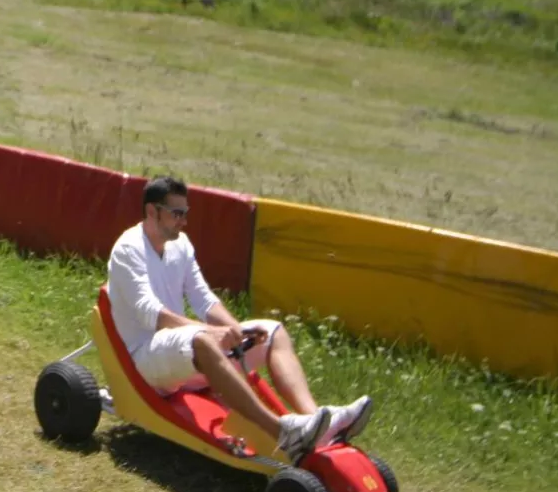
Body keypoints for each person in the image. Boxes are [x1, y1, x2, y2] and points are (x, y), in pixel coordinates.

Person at [105, 176, 373, 462]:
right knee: (202, 340)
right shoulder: (128, 249)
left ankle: (316, 422)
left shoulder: (180, 245)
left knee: (272, 332)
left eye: (186, 213)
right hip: (143, 363)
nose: (183, 221)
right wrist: (213, 332)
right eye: (176, 213)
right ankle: (282, 432)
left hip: (177, 356)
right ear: (151, 211)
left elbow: (204, 299)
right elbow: (151, 314)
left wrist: (234, 328)